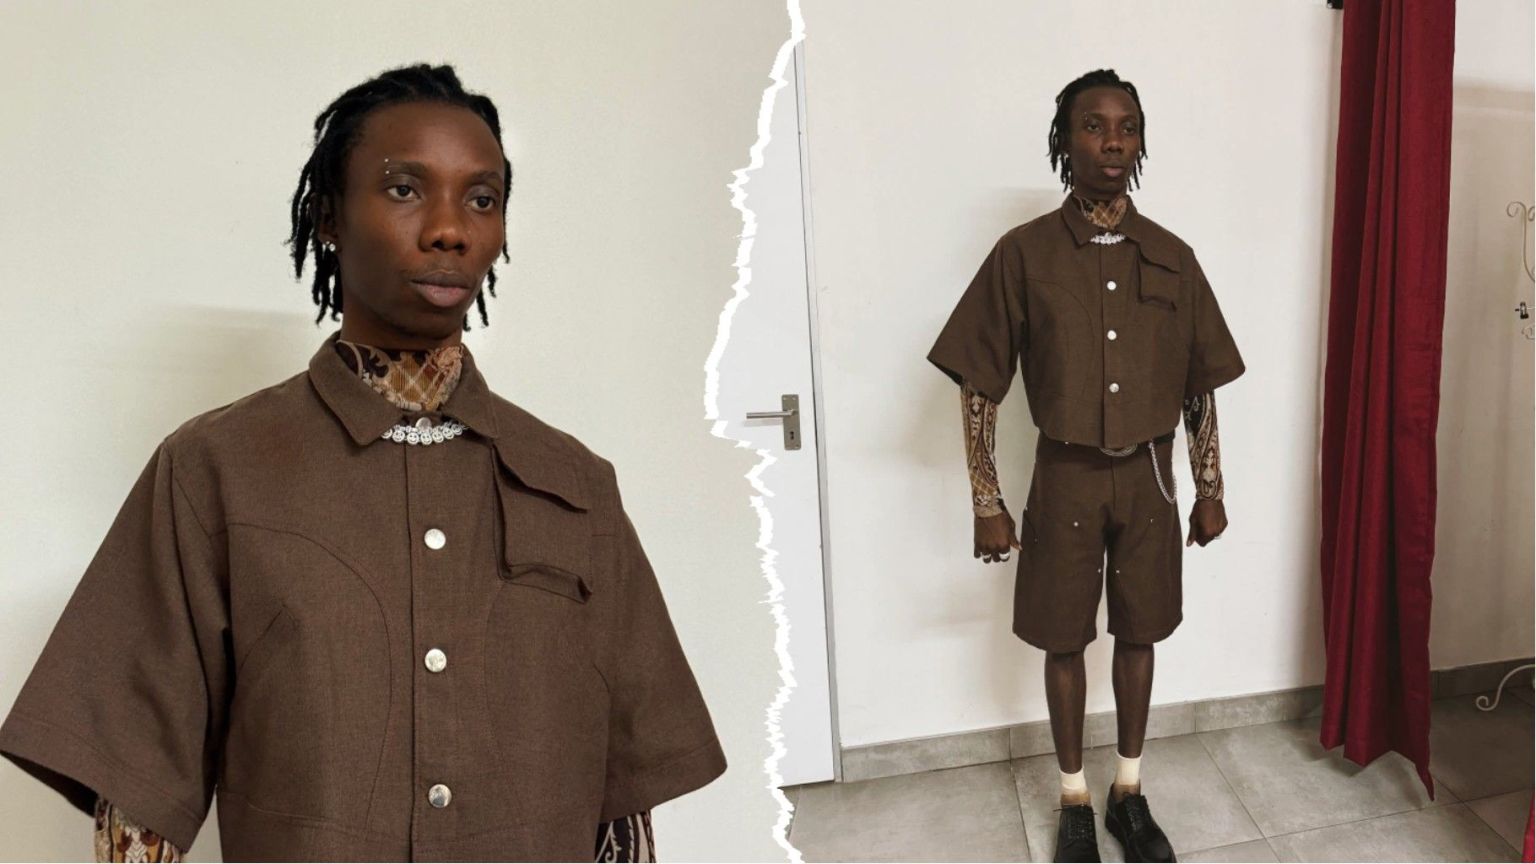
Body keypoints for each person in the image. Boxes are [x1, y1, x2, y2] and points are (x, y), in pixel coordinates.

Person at [0, 63, 725, 863]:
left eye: (481, 199)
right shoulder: (213, 471)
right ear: (328, 218)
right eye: (406, 190)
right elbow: (136, 799)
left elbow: (622, 817)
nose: (450, 228)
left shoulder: (577, 483)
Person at [927, 69, 1244, 863]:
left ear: (1141, 142)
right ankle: (1074, 795)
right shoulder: (1023, 254)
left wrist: (1210, 488)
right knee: (1062, 637)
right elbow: (979, 382)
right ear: (1064, 141)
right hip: (1064, 475)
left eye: (1127, 127)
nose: (1112, 141)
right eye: (1094, 126)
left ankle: (1127, 791)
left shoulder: (1173, 255)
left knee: (1141, 634)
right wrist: (986, 498)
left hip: (1150, 479)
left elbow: (1200, 385)